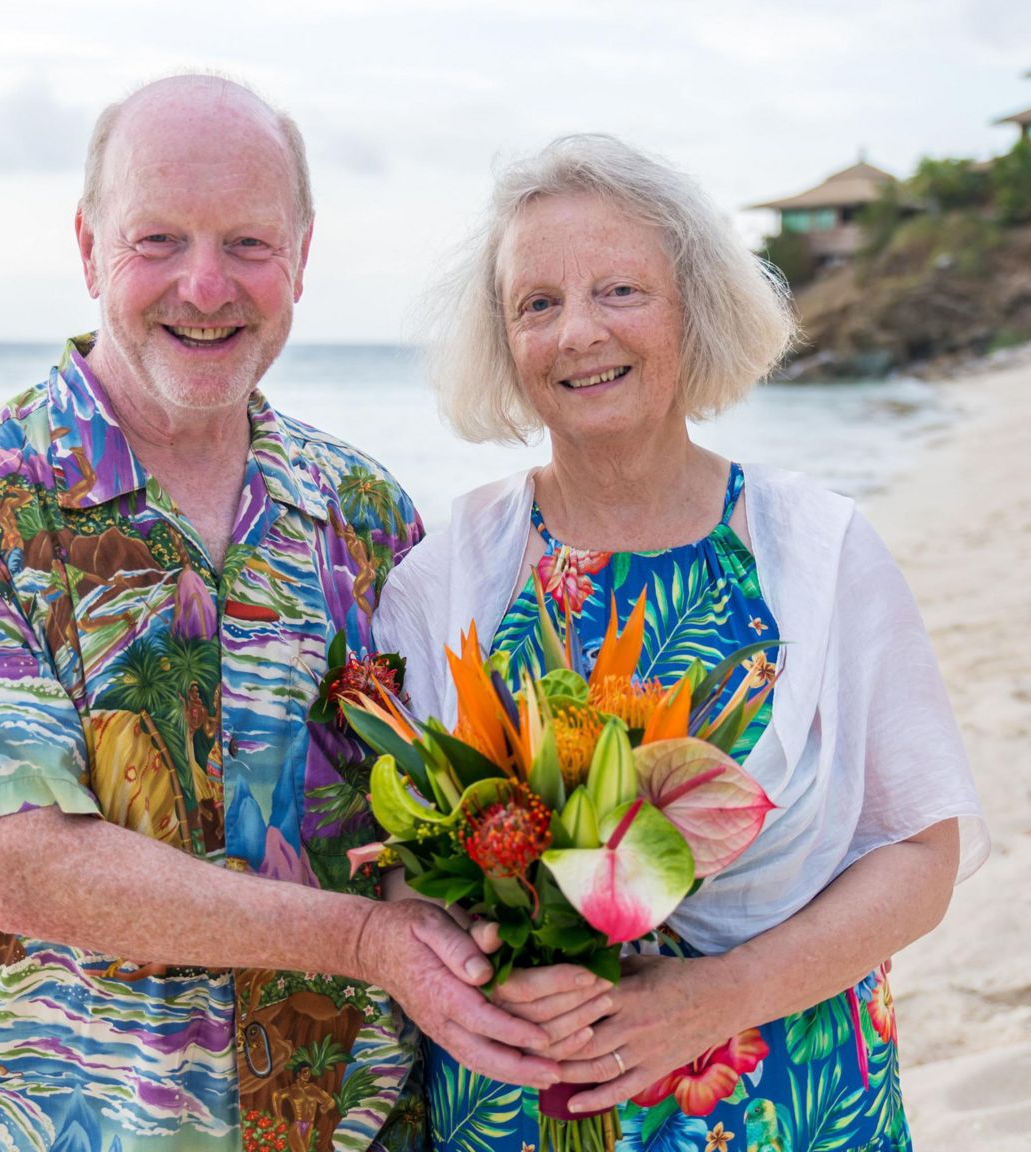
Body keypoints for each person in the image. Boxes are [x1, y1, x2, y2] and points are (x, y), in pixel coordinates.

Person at [0, 75, 571, 1152]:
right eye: (158, 239)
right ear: (89, 247)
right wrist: (369, 943)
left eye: (246, 242)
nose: (203, 285)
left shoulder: (364, 513)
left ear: (300, 257)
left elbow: (449, 817)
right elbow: (23, 868)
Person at [373, 134, 988, 1150]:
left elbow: (921, 848)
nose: (577, 333)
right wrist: (485, 953)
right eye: (536, 304)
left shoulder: (819, 549)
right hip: (524, 1095)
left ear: (693, 309)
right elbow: (404, 862)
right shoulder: (447, 575)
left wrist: (716, 999)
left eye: (618, 290)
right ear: (501, 340)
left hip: (785, 1089)